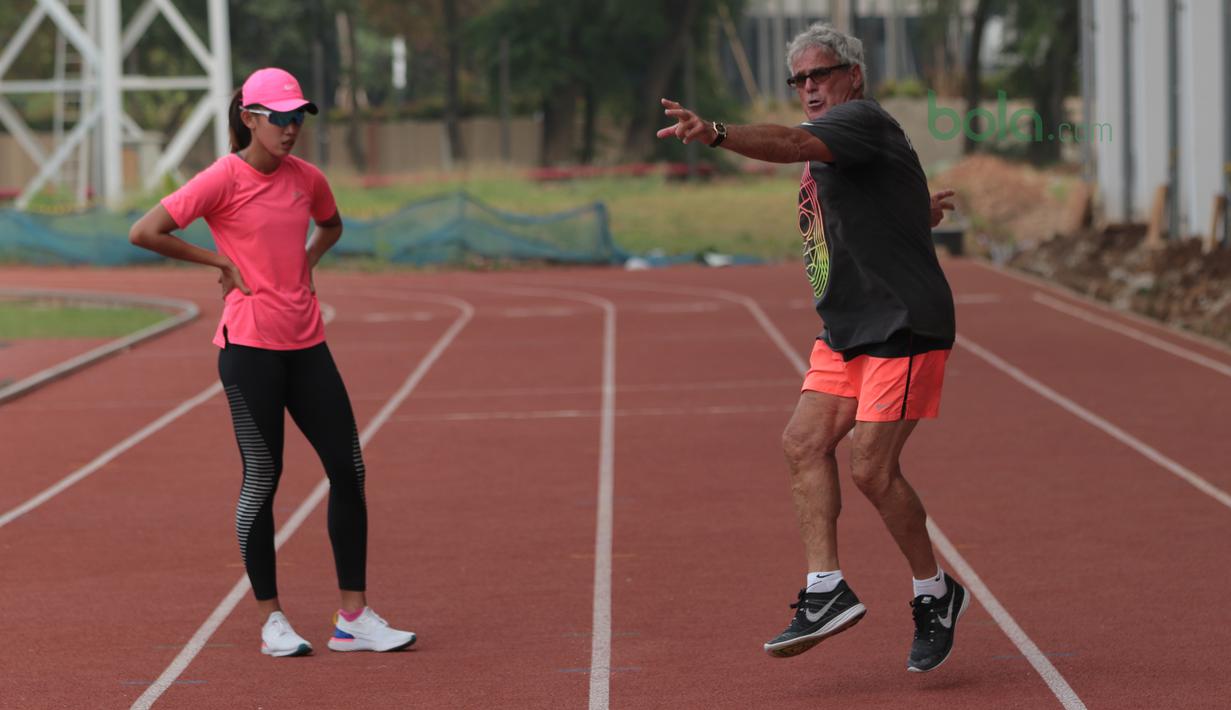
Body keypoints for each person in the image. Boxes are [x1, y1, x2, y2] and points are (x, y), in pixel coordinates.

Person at [657, 24, 967, 672]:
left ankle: (934, 593)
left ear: (852, 75)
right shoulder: (855, 140)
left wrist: (716, 132)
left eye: (818, 74)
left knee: (870, 469)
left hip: (902, 325)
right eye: (797, 80)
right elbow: (889, 181)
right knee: (801, 444)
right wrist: (920, 211)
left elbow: (795, 142)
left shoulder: (856, 120)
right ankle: (825, 589)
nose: (807, 88)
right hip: (849, 327)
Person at [129, 67, 416, 658]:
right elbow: (145, 231)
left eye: (297, 118)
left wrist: (309, 260)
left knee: (349, 469)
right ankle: (272, 620)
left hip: (308, 344)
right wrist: (218, 262)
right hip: (249, 350)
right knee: (264, 478)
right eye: (279, 119)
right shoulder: (221, 179)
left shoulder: (307, 179)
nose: (290, 130)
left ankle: (353, 618)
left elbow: (332, 224)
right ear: (249, 118)